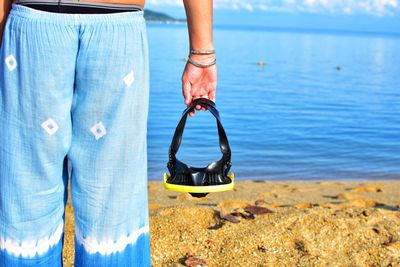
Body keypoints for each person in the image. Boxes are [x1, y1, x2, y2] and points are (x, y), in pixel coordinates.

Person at [0, 0, 217, 266]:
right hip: (116, 29)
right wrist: (202, 54)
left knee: (24, 194)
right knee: (113, 199)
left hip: (32, 30)